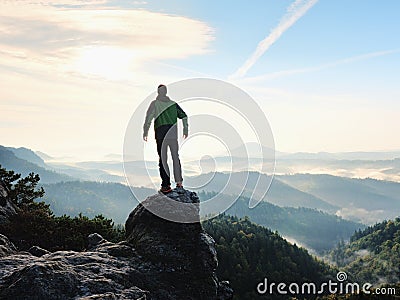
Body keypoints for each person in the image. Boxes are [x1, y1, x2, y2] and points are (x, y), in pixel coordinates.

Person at [143, 84, 188, 193]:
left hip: (161, 135)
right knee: (175, 158)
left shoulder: (154, 104)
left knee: (163, 159)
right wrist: (185, 129)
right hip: (172, 135)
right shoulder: (173, 104)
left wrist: (145, 131)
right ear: (166, 92)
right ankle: (179, 183)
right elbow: (184, 115)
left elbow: (148, 118)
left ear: (158, 92)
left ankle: (166, 185)